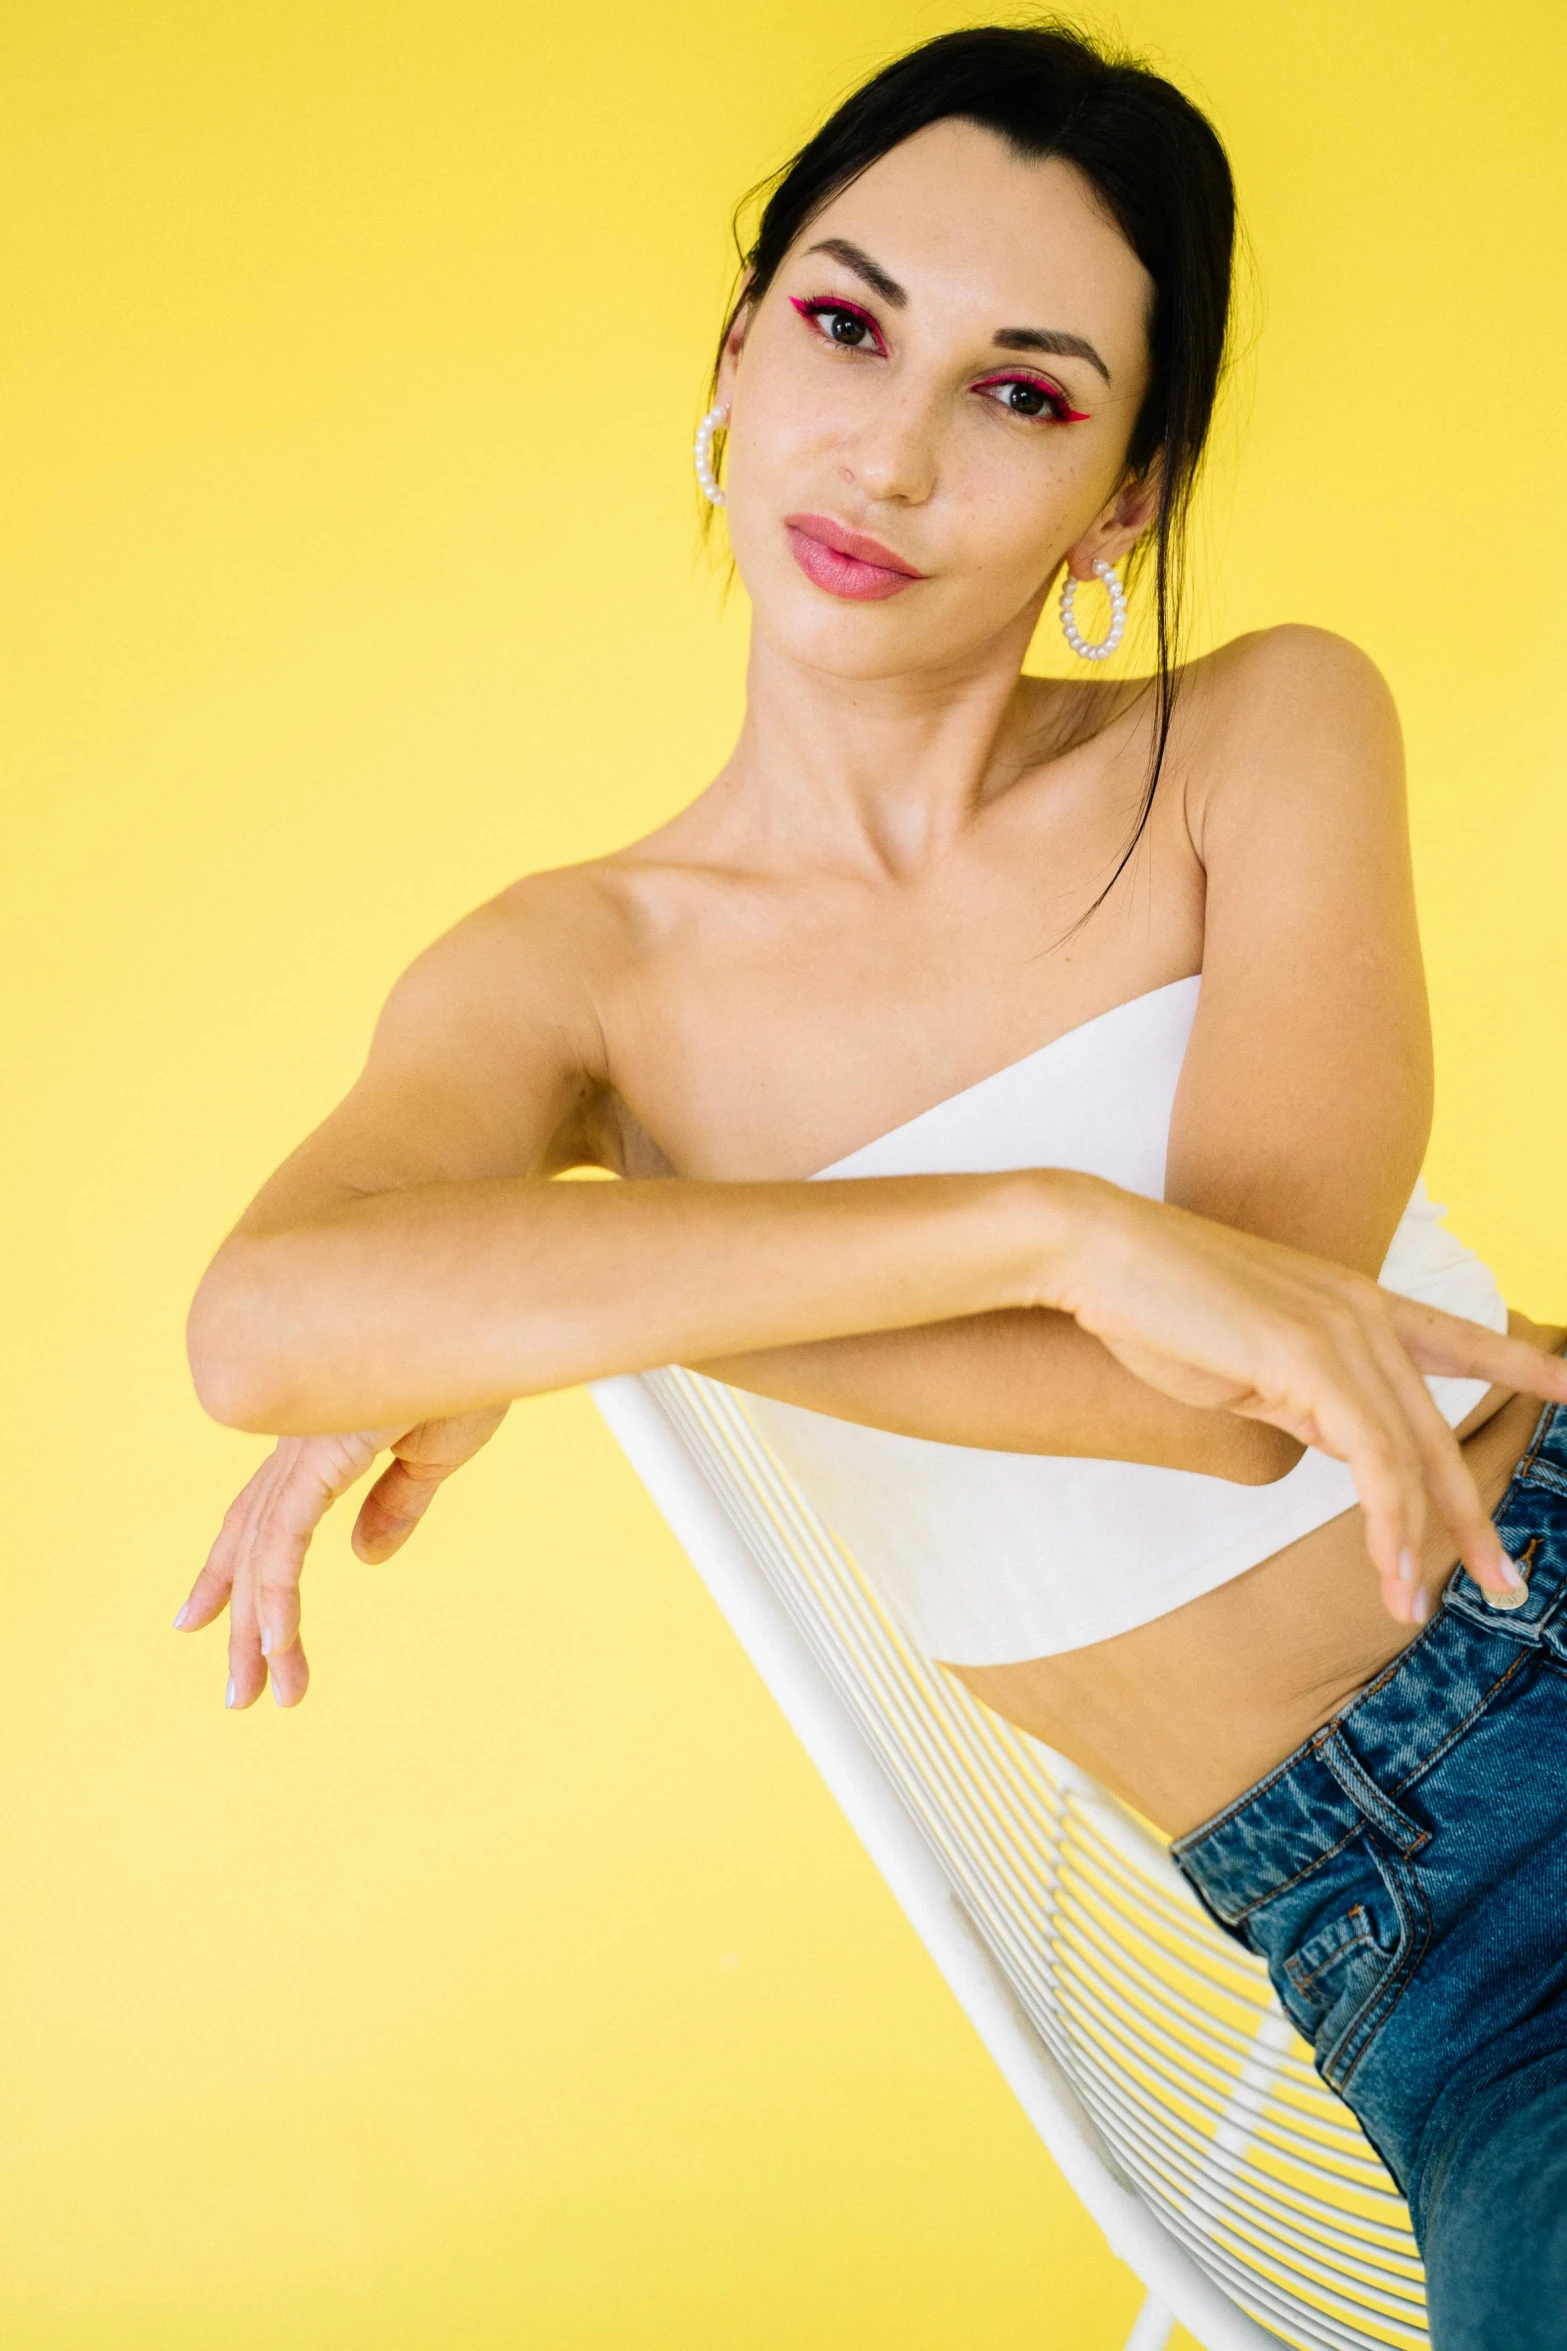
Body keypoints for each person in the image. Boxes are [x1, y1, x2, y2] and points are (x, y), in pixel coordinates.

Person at [178, 26, 1567, 2346]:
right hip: (1441, 1913)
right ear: (734, 351)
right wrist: (1055, 1226)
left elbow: (1253, 1386)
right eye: (845, 323)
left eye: (1026, 395)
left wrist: (592, 1280)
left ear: (1124, 495)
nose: (893, 447)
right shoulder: (580, 975)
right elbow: (263, 1328)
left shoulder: (1260, 728)